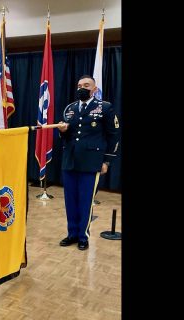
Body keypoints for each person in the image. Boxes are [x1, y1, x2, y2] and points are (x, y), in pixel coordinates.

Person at [58, 75, 120, 250]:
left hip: (91, 162)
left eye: (86, 85)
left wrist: (107, 161)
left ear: (94, 89)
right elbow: (67, 137)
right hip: (70, 161)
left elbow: (113, 136)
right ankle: (72, 233)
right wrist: (62, 131)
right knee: (70, 200)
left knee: (85, 200)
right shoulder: (70, 109)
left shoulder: (105, 108)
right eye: (79, 85)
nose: (82, 88)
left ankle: (83, 236)